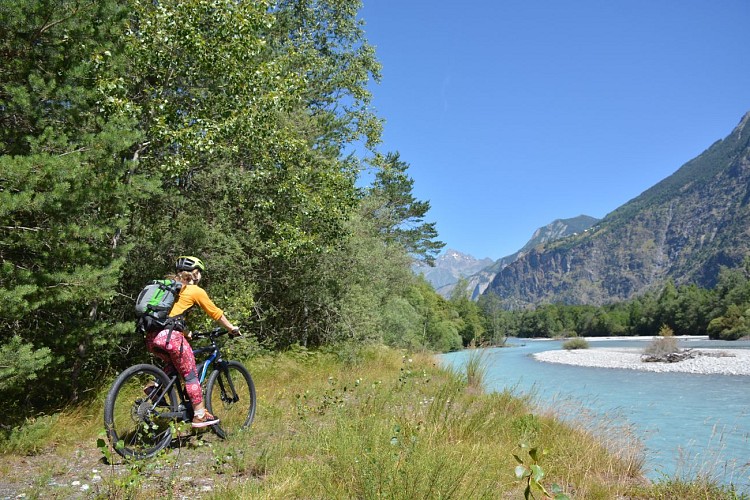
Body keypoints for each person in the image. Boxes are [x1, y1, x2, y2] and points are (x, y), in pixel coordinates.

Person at [144, 256, 241, 428]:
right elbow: (215, 313)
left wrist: (186, 333)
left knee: (175, 365)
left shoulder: (170, 289)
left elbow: (169, 316)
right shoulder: (194, 290)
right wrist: (231, 328)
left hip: (152, 336)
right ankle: (199, 415)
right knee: (190, 375)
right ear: (194, 273)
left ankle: (155, 387)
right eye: (200, 273)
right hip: (171, 337)